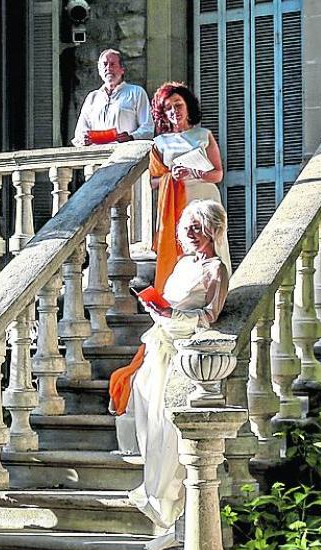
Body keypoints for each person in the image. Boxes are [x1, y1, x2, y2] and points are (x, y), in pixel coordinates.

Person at [109, 82, 225, 426]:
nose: (175, 111)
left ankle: (214, 296)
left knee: (211, 247)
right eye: (169, 108)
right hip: (178, 200)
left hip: (203, 191)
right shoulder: (160, 144)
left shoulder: (204, 135)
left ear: (188, 106)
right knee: (183, 253)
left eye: (179, 105)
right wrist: (173, 176)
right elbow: (153, 182)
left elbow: (218, 171)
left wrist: (196, 172)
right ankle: (182, 301)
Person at [122, 200, 231, 550]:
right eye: (188, 228)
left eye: (199, 228)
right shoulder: (183, 264)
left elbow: (210, 316)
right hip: (160, 346)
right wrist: (156, 307)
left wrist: (171, 313)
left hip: (184, 355)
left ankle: (175, 520)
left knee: (170, 432)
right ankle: (163, 513)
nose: (191, 235)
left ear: (214, 231)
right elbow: (169, 305)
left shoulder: (216, 269)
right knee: (148, 420)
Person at [71, 49, 154, 146]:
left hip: (126, 154)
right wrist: (83, 139)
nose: (108, 68)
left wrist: (131, 137)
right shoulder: (92, 98)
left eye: (112, 64)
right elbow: (80, 132)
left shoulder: (136, 92)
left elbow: (148, 128)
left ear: (122, 69)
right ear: (99, 71)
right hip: (96, 156)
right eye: (105, 64)